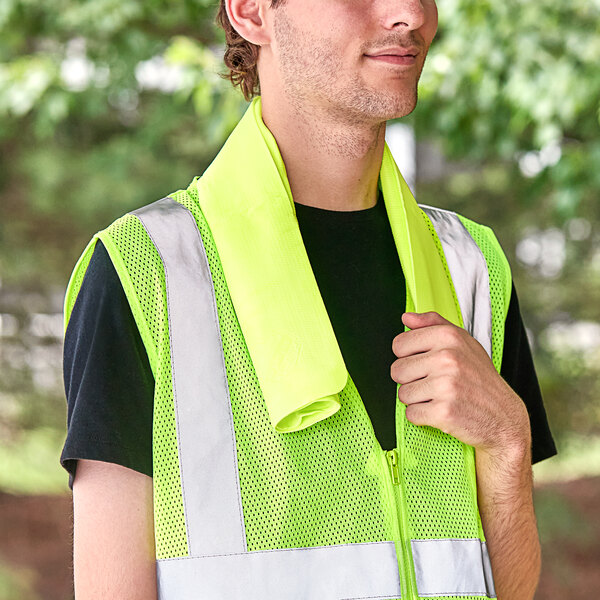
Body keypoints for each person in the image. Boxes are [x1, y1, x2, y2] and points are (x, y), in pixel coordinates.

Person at [61, 0, 557, 599]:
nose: (409, 14)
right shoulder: (144, 273)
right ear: (249, 13)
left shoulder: (472, 265)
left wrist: (509, 440)